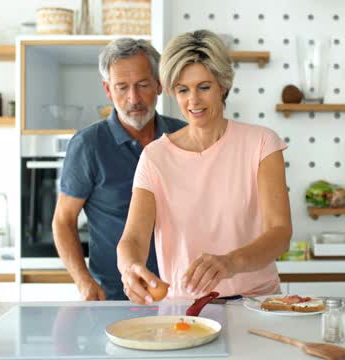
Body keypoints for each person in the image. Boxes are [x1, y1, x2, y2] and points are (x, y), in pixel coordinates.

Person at [117, 30, 292, 304]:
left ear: (223, 85)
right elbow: (134, 239)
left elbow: (280, 233)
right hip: (185, 308)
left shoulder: (261, 143)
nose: (193, 101)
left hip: (257, 303)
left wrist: (230, 262)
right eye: (183, 90)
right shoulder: (155, 157)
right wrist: (130, 268)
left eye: (204, 87)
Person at [52, 38, 188, 301]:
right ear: (107, 89)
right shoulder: (88, 145)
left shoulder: (184, 136)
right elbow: (63, 220)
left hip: (183, 292)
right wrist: (83, 281)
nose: (133, 98)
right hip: (114, 297)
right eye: (122, 87)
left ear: (159, 84)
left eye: (143, 85)